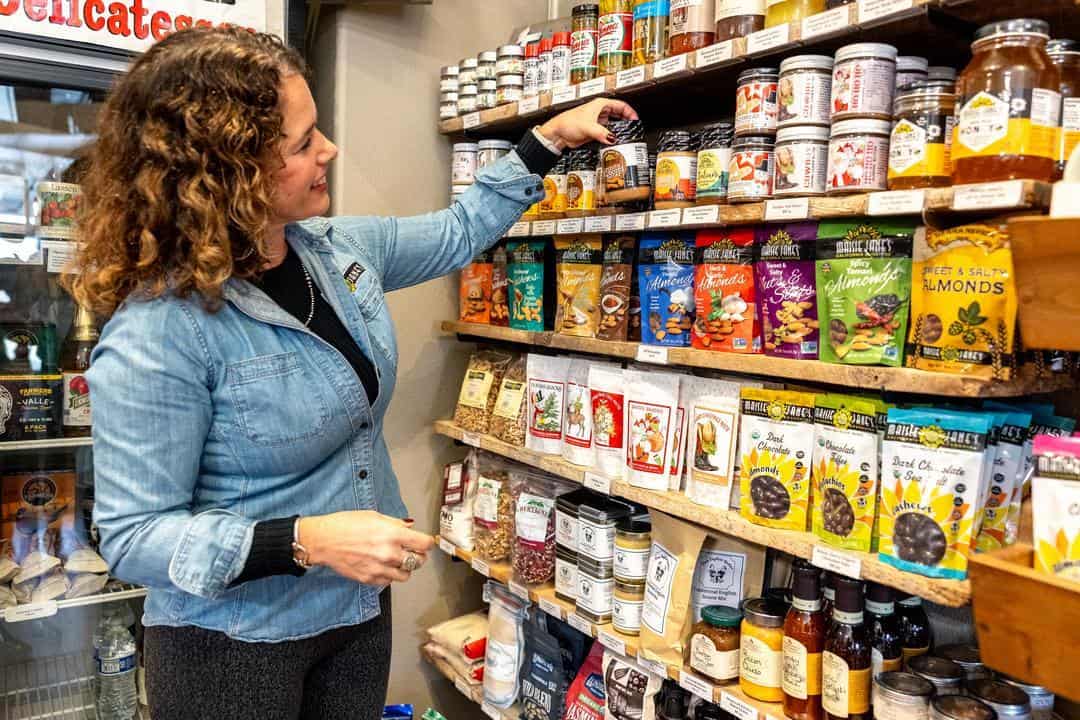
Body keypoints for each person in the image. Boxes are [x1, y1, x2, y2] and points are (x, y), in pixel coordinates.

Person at [67, 26, 637, 720]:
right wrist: (309, 540)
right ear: (229, 174)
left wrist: (546, 140)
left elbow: (459, 229)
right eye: (304, 143)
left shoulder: (334, 252)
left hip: (355, 610)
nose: (328, 150)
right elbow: (132, 536)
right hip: (233, 641)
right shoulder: (160, 332)